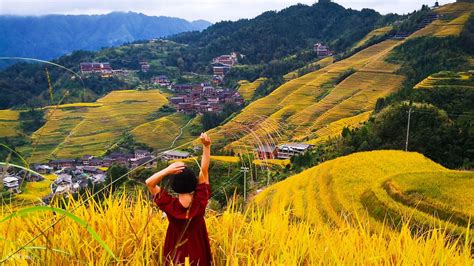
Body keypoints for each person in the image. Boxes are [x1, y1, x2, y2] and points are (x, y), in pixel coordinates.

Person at [146, 133, 212, 265]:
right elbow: (204, 170)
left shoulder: (169, 204)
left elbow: (149, 183)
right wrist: (206, 146)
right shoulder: (200, 200)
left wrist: (167, 170)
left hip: (175, 247)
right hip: (198, 245)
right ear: (194, 183)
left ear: (173, 185)